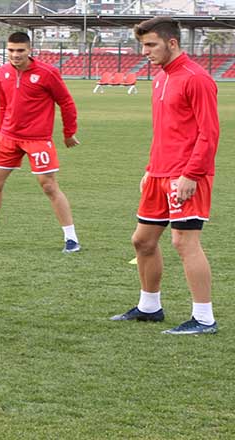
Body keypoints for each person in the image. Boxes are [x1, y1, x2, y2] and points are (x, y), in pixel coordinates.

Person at [110, 17, 219, 335]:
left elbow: (208, 134)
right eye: (142, 45)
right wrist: (150, 169)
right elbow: (165, 132)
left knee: (184, 243)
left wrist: (191, 175)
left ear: (172, 43)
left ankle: (203, 318)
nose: (144, 51)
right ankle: (149, 307)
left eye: (150, 45)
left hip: (186, 176)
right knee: (142, 241)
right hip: (159, 174)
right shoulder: (160, 78)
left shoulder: (196, 78)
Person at [0, 31, 81, 253]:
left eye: (20, 51)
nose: (15, 55)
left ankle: (71, 239)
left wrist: (68, 132)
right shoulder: (3, 72)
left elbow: (66, 102)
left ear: (30, 50)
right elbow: (2, 103)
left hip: (37, 139)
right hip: (7, 138)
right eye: (11, 50)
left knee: (49, 186)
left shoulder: (47, 73)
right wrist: (1, 130)